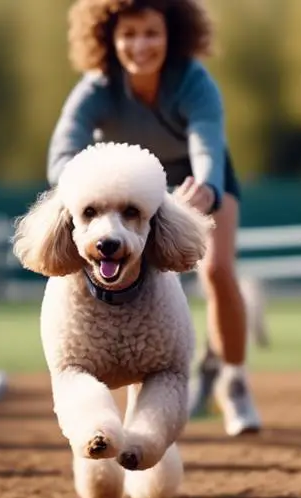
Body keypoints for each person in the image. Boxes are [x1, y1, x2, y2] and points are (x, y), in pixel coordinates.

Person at [45, 0, 261, 436]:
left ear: (171, 36)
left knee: (217, 270)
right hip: (125, 192)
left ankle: (232, 380)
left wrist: (206, 188)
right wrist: (87, 187)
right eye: (129, 34)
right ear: (109, 38)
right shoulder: (95, 89)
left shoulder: (194, 82)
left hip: (194, 181)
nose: (139, 45)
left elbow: (207, 145)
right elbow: (62, 155)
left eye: (151, 33)